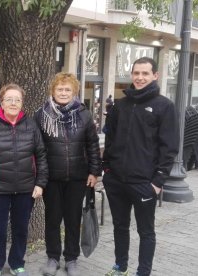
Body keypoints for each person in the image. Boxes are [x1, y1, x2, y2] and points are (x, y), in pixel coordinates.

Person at [102, 57, 179, 276]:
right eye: (136, 73)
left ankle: (143, 272)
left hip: (145, 183)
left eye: (145, 73)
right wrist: (107, 170)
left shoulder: (165, 106)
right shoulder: (120, 104)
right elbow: (110, 139)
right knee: (120, 226)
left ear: (155, 75)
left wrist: (157, 182)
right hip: (116, 180)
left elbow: (169, 147)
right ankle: (120, 266)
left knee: (146, 232)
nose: (140, 77)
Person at [0, 83, 48, 276]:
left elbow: (41, 156)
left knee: (21, 229)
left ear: (22, 103)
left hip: (25, 189)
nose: (13, 103)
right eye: (9, 99)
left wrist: (40, 183)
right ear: (1, 102)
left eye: (17, 100)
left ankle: (16, 263)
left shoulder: (30, 125)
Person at [35, 72, 102, 276]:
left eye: (67, 89)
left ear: (74, 92)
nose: (63, 93)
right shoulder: (41, 114)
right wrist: (40, 177)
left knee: (73, 219)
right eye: (59, 89)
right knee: (52, 219)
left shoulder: (84, 114)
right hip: (52, 178)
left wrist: (94, 171)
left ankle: (71, 258)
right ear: (52, 91)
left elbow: (92, 144)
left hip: (77, 176)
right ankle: (53, 257)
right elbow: (37, 148)